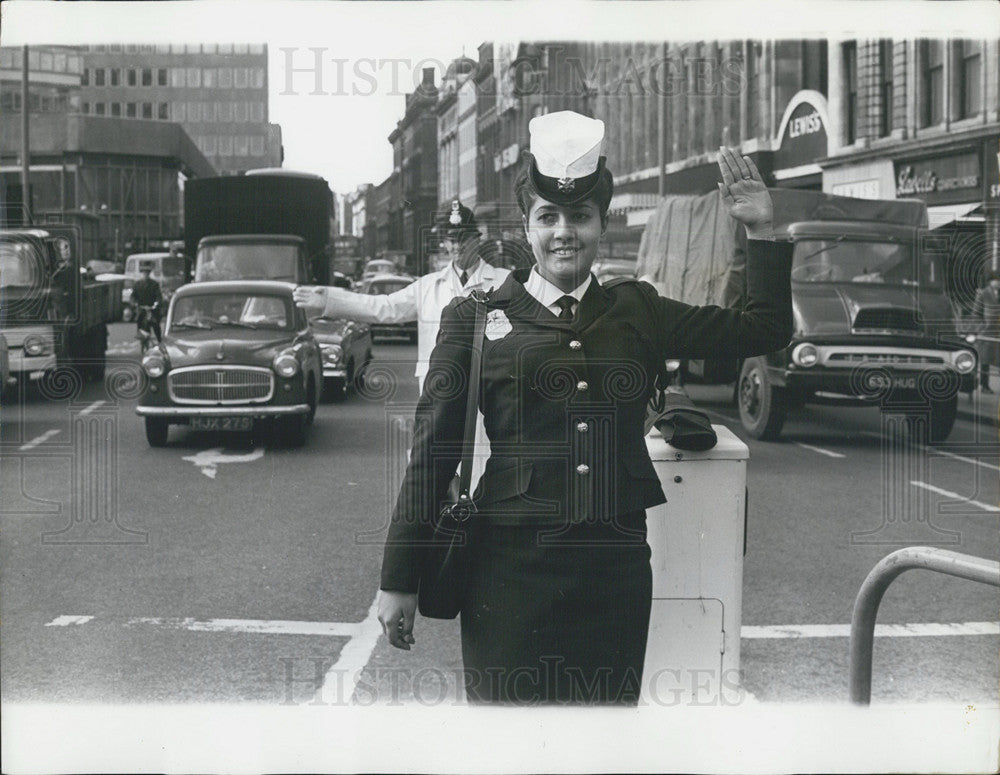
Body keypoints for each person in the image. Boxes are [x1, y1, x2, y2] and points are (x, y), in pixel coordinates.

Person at [376, 110, 794, 705]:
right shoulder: (472, 319)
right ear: (527, 226)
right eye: (548, 217)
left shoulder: (638, 310)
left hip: (613, 576)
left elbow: (765, 328)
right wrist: (399, 580)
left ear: (601, 224)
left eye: (579, 216)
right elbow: (432, 453)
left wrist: (762, 233)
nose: (563, 232)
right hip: (507, 575)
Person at [293, 201, 510, 392]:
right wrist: (329, 301)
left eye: (463, 238)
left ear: (476, 239)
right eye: (450, 239)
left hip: (487, 392)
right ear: (443, 243)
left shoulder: (504, 282)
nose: (457, 246)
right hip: (440, 393)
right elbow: (383, 307)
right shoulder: (428, 286)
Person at [972, 270, 1000, 393]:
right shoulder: (983, 294)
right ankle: (984, 385)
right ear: (991, 281)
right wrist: (982, 328)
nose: (999, 283)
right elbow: (976, 314)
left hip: (998, 333)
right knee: (985, 361)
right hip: (986, 333)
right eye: (997, 280)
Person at [131, 264, 163, 343]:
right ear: (141, 274)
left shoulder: (154, 284)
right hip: (141, 307)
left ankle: (159, 340)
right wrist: (134, 303)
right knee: (139, 319)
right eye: (143, 273)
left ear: (149, 274)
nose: (145, 275)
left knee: (155, 324)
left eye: (147, 273)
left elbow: (158, 296)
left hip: (152, 308)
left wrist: (156, 304)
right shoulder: (137, 284)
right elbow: (133, 296)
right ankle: (140, 335)